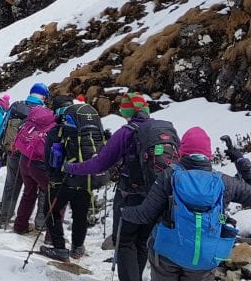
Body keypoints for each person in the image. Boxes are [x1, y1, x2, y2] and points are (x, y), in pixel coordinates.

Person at [121, 127, 251, 281]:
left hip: (167, 254)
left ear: (182, 152)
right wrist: (242, 163)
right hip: (204, 258)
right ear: (208, 155)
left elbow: (145, 215)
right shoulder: (224, 182)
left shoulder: (169, 175)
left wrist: (124, 211)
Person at [63, 92, 168, 281]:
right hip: (155, 195)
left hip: (130, 195)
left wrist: (71, 167)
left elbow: (99, 164)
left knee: (125, 242)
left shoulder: (127, 132)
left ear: (128, 111)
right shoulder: (161, 130)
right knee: (142, 241)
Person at [39, 101, 108, 261]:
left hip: (61, 181)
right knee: (80, 215)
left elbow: (49, 159)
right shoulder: (93, 131)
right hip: (85, 180)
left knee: (51, 211)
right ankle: (77, 247)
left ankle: (59, 248)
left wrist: (52, 176)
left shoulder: (56, 131)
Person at [0, 83, 49, 229]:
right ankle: (39, 222)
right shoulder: (45, 112)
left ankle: (4, 220)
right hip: (32, 157)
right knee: (38, 188)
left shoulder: (16, 106)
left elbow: (2, 126)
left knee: (11, 185)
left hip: (13, 151)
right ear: (44, 96)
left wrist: (2, 146)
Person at [12, 104, 56, 234]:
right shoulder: (53, 125)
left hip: (25, 160)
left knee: (28, 194)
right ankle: (52, 236)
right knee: (54, 197)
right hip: (39, 165)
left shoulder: (32, 120)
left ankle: (20, 226)